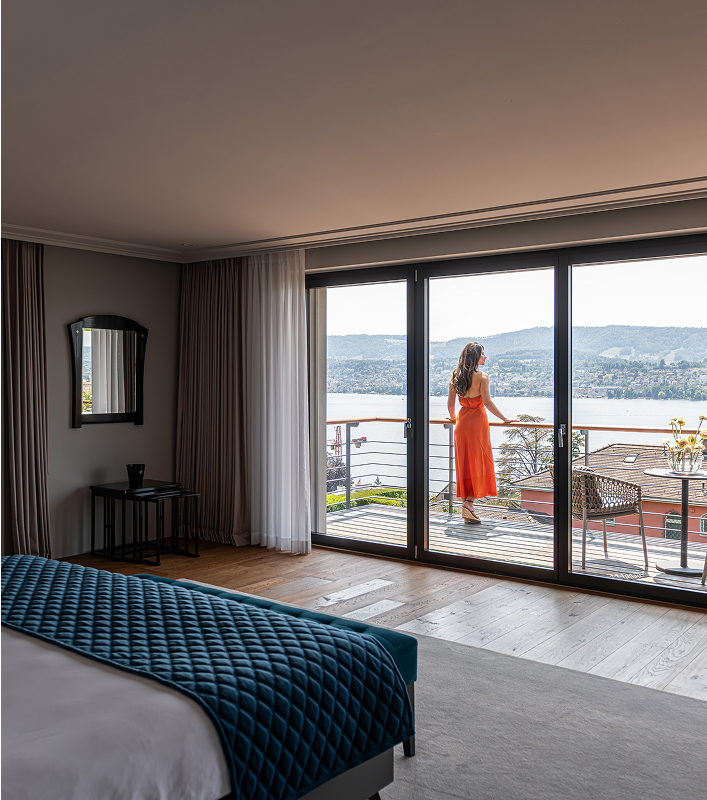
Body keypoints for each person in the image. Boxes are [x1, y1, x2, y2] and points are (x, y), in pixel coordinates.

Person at [447, 342, 517, 524]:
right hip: (477, 424)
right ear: (476, 356)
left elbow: (450, 404)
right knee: (478, 462)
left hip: (461, 425)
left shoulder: (456, 376)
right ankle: (469, 503)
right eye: (483, 354)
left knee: (464, 463)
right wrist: (505, 418)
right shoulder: (482, 377)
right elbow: (488, 402)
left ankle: (467, 506)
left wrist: (453, 417)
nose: (485, 357)